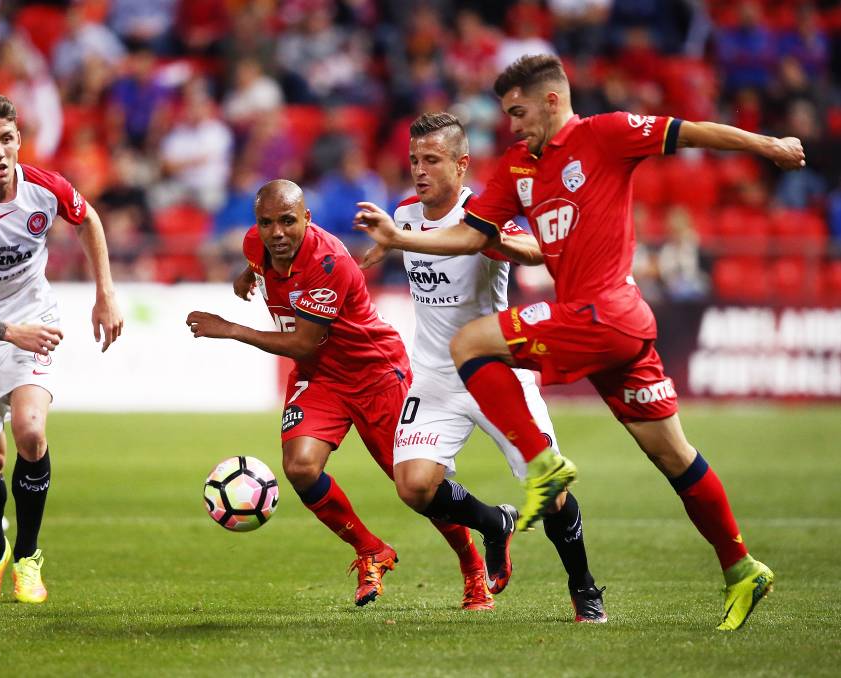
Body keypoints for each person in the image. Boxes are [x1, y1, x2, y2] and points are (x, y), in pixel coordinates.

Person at [354, 54, 805, 631]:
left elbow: (692, 132)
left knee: (472, 342)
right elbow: (470, 235)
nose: (511, 127)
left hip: (597, 312)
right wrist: (398, 238)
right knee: (674, 454)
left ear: (550, 100)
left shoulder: (607, 134)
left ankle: (552, 492)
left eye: (518, 112)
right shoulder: (517, 167)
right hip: (608, 334)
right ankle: (741, 566)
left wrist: (769, 145)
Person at [187, 180, 494, 610]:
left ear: (307, 219)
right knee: (300, 468)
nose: (276, 232)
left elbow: (303, 343)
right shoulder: (256, 244)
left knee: (417, 487)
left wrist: (230, 328)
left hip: (374, 375)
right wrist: (248, 274)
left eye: (287, 221)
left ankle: (474, 567)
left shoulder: (328, 263)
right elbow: (261, 259)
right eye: (266, 222)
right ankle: (371, 549)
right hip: (321, 379)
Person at [363, 111, 606, 622]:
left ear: (462, 165)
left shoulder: (484, 212)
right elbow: (374, 252)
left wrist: (492, 240)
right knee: (413, 485)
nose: (419, 170)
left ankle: (584, 586)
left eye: (432, 160)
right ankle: (494, 524)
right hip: (433, 375)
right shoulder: (404, 215)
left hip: (495, 371)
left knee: (554, 491)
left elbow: (535, 250)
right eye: (413, 160)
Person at [0, 91, 123, 603]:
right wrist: (9, 332)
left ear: (18, 141)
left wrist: (106, 294)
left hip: (32, 320)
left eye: (7, 138)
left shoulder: (44, 188)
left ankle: (29, 556)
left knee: (31, 434)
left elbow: (89, 219)